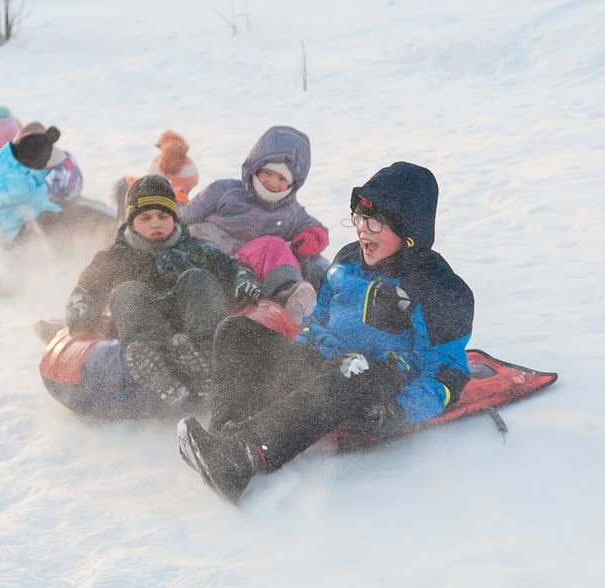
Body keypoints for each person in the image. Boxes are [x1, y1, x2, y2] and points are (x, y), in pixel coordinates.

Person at [177, 162, 475, 503]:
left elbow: (448, 374)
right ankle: (228, 435)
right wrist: (291, 362)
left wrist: (400, 410)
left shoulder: (439, 290)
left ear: (409, 233)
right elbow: (319, 323)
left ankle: (244, 456)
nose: (363, 230)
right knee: (236, 332)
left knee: (352, 368)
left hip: (376, 384)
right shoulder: (348, 260)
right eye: (360, 219)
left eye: (375, 222)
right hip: (325, 366)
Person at [65, 175, 262, 405]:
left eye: (163, 216)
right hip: (147, 329)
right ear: (130, 222)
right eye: (146, 218)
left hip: (194, 327)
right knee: (126, 292)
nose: (156, 224)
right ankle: (155, 367)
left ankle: (206, 362)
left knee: (197, 278)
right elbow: (86, 288)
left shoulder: (197, 249)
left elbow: (234, 268)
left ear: (175, 217)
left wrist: (243, 280)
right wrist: (81, 305)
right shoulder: (115, 257)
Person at [178, 125, 328, 323]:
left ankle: (315, 313)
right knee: (274, 245)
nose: (273, 182)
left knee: (316, 263)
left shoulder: (291, 211)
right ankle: (287, 292)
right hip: (215, 259)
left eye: (282, 178)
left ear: (293, 184)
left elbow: (316, 230)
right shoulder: (225, 191)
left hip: (256, 278)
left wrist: (309, 239)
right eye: (268, 173)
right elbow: (184, 217)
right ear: (255, 168)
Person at [110, 130, 200, 221]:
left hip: (167, 199)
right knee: (126, 183)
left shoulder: (169, 158)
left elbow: (160, 177)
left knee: (124, 187)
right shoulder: (187, 166)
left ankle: (124, 221)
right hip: (173, 198)